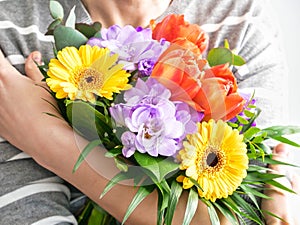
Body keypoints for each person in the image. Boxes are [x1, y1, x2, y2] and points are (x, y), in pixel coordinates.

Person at [0, 0, 299, 224]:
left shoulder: (240, 20)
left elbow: (245, 215)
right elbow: (31, 215)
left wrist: (50, 142)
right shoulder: (11, 27)